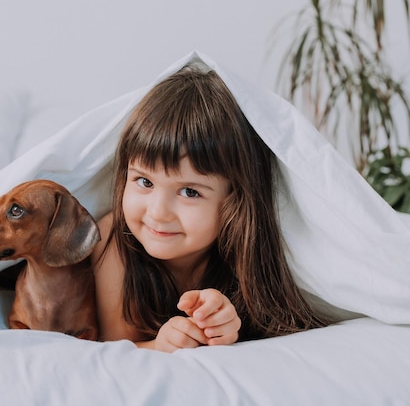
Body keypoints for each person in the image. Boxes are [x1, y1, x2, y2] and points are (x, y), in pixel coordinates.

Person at [90, 63, 329, 353]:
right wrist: (158, 345)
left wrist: (225, 327)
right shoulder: (113, 238)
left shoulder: (246, 254)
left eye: (189, 191)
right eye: (144, 181)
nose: (158, 211)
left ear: (234, 200)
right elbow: (114, 345)